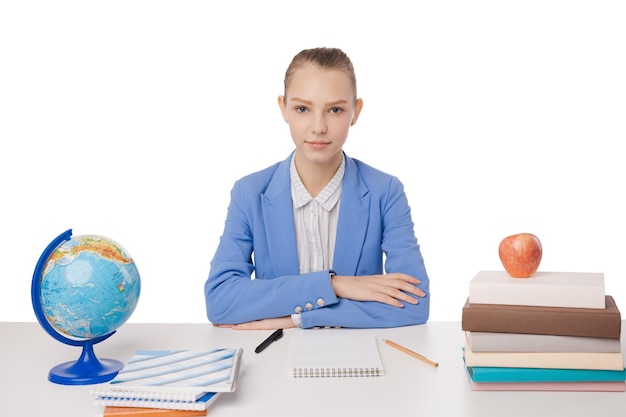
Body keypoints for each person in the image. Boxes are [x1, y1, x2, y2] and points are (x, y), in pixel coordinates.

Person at [204, 47, 430, 330]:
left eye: (335, 110)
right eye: (302, 109)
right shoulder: (249, 193)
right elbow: (221, 301)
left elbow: (414, 305)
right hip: (273, 361)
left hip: (359, 358)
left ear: (355, 112)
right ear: (283, 109)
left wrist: (297, 319)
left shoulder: (385, 192)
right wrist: (336, 285)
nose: (319, 127)